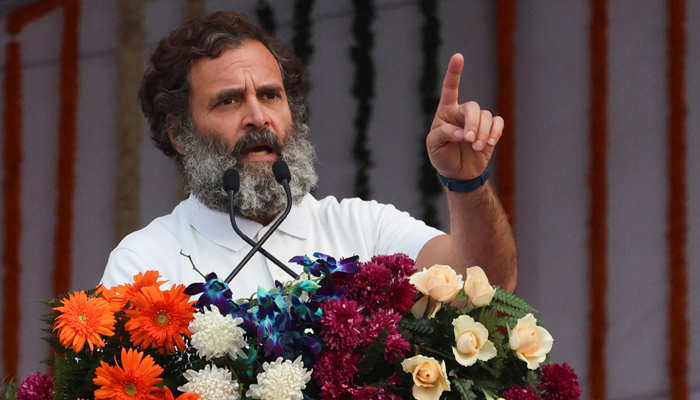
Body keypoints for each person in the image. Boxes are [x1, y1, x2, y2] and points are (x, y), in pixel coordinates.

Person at [101, 11, 517, 295]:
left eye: (270, 95)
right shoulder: (144, 263)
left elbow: (483, 289)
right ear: (178, 133)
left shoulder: (365, 229)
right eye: (228, 101)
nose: (257, 117)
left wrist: (466, 183)